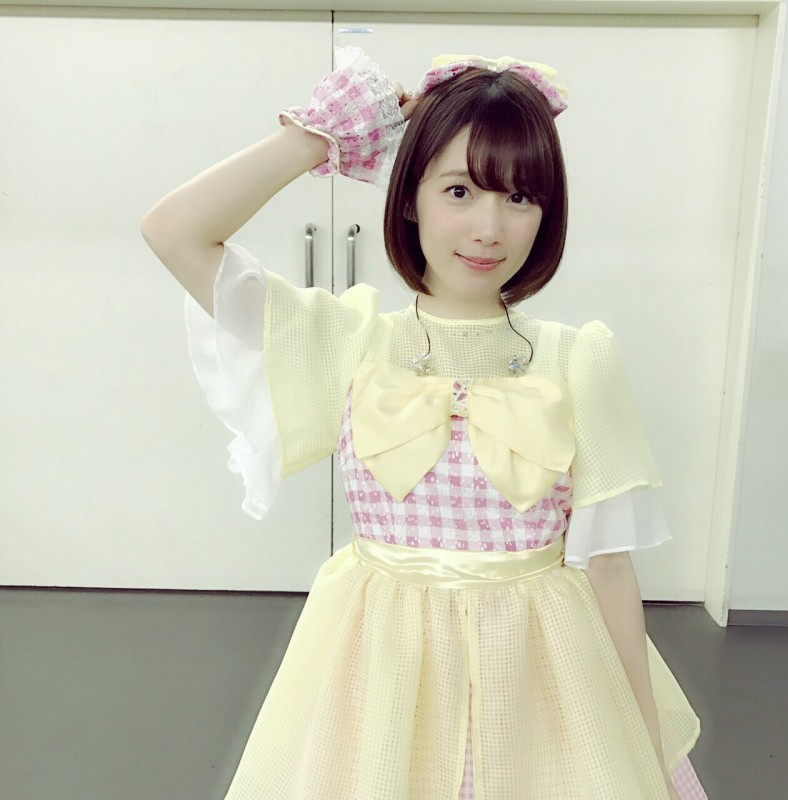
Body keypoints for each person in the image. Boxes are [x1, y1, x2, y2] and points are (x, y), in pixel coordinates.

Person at [141, 47, 706, 800]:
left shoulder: (578, 357)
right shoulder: (349, 340)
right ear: (409, 198)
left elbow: (609, 568)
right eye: (459, 190)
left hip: (537, 679)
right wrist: (323, 134)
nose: (489, 227)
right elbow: (174, 231)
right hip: (382, 676)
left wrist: (642, 749)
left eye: (520, 196)